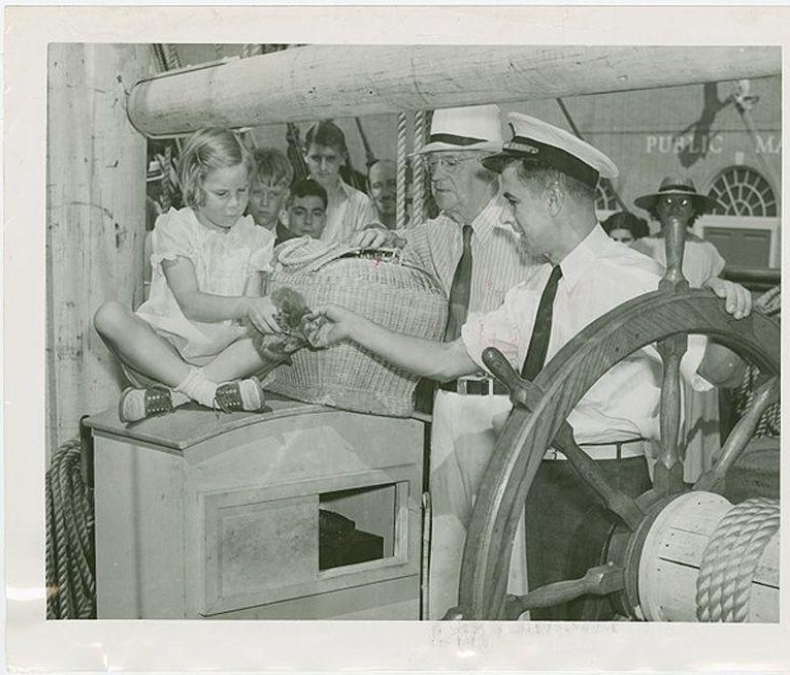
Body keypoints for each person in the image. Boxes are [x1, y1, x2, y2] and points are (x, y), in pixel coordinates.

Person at [306, 112, 751, 621]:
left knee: (595, 638)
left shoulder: (631, 279)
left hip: (612, 487)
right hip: (543, 484)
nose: (509, 216)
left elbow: (726, 370)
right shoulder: (536, 290)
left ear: (555, 199)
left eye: (514, 201)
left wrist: (724, 310)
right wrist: (352, 326)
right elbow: (450, 360)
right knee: (548, 629)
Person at [353, 104, 543, 619]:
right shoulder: (436, 233)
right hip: (447, 407)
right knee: (446, 549)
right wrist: (377, 234)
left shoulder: (526, 234)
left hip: (508, 409)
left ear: (489, 168)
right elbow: (395, 243)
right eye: (434, 163)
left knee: (507, 550)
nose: (437, 175)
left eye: (452, 164)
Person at [94, 127, 283, 423]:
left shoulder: (255, 238)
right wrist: (248, 305)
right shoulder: (176, 227)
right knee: (108, 315)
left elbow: (251, 315)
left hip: (222, 360)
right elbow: (190, 303)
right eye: (221, 194)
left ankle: (177, 397)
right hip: (162, 356)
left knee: (278, 338)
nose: (234, 204)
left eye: (242, 191)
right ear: (195, 186)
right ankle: (207, 392)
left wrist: (261, 315)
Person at [633, 176, 727, 481]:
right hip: (655, 341)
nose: (675, 208)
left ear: (694, 210)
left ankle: (693, 481)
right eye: (668, 202)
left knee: (696, 408)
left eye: (684, 203)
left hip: (696, 342)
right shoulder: (642, 247)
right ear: (657, 208)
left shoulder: (708, 252)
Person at [303, 120, 378, 242]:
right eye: (316, 158)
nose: (323, 167)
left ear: (343, 156)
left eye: (330, 158)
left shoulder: (360, 202)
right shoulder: (289, 200)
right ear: (304, 155)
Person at [247, 147, 293, 243]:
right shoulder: (224, 238)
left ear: (285, 195)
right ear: (245, 192)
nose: (264, 203)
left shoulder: (293, 244)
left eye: (273, 195)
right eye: (258, 193)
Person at [366, 159, 398, 229]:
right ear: (369, 191)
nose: (385, 194)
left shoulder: (419, 227)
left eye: (392, 184)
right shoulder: (364, 230)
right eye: (377, 186)